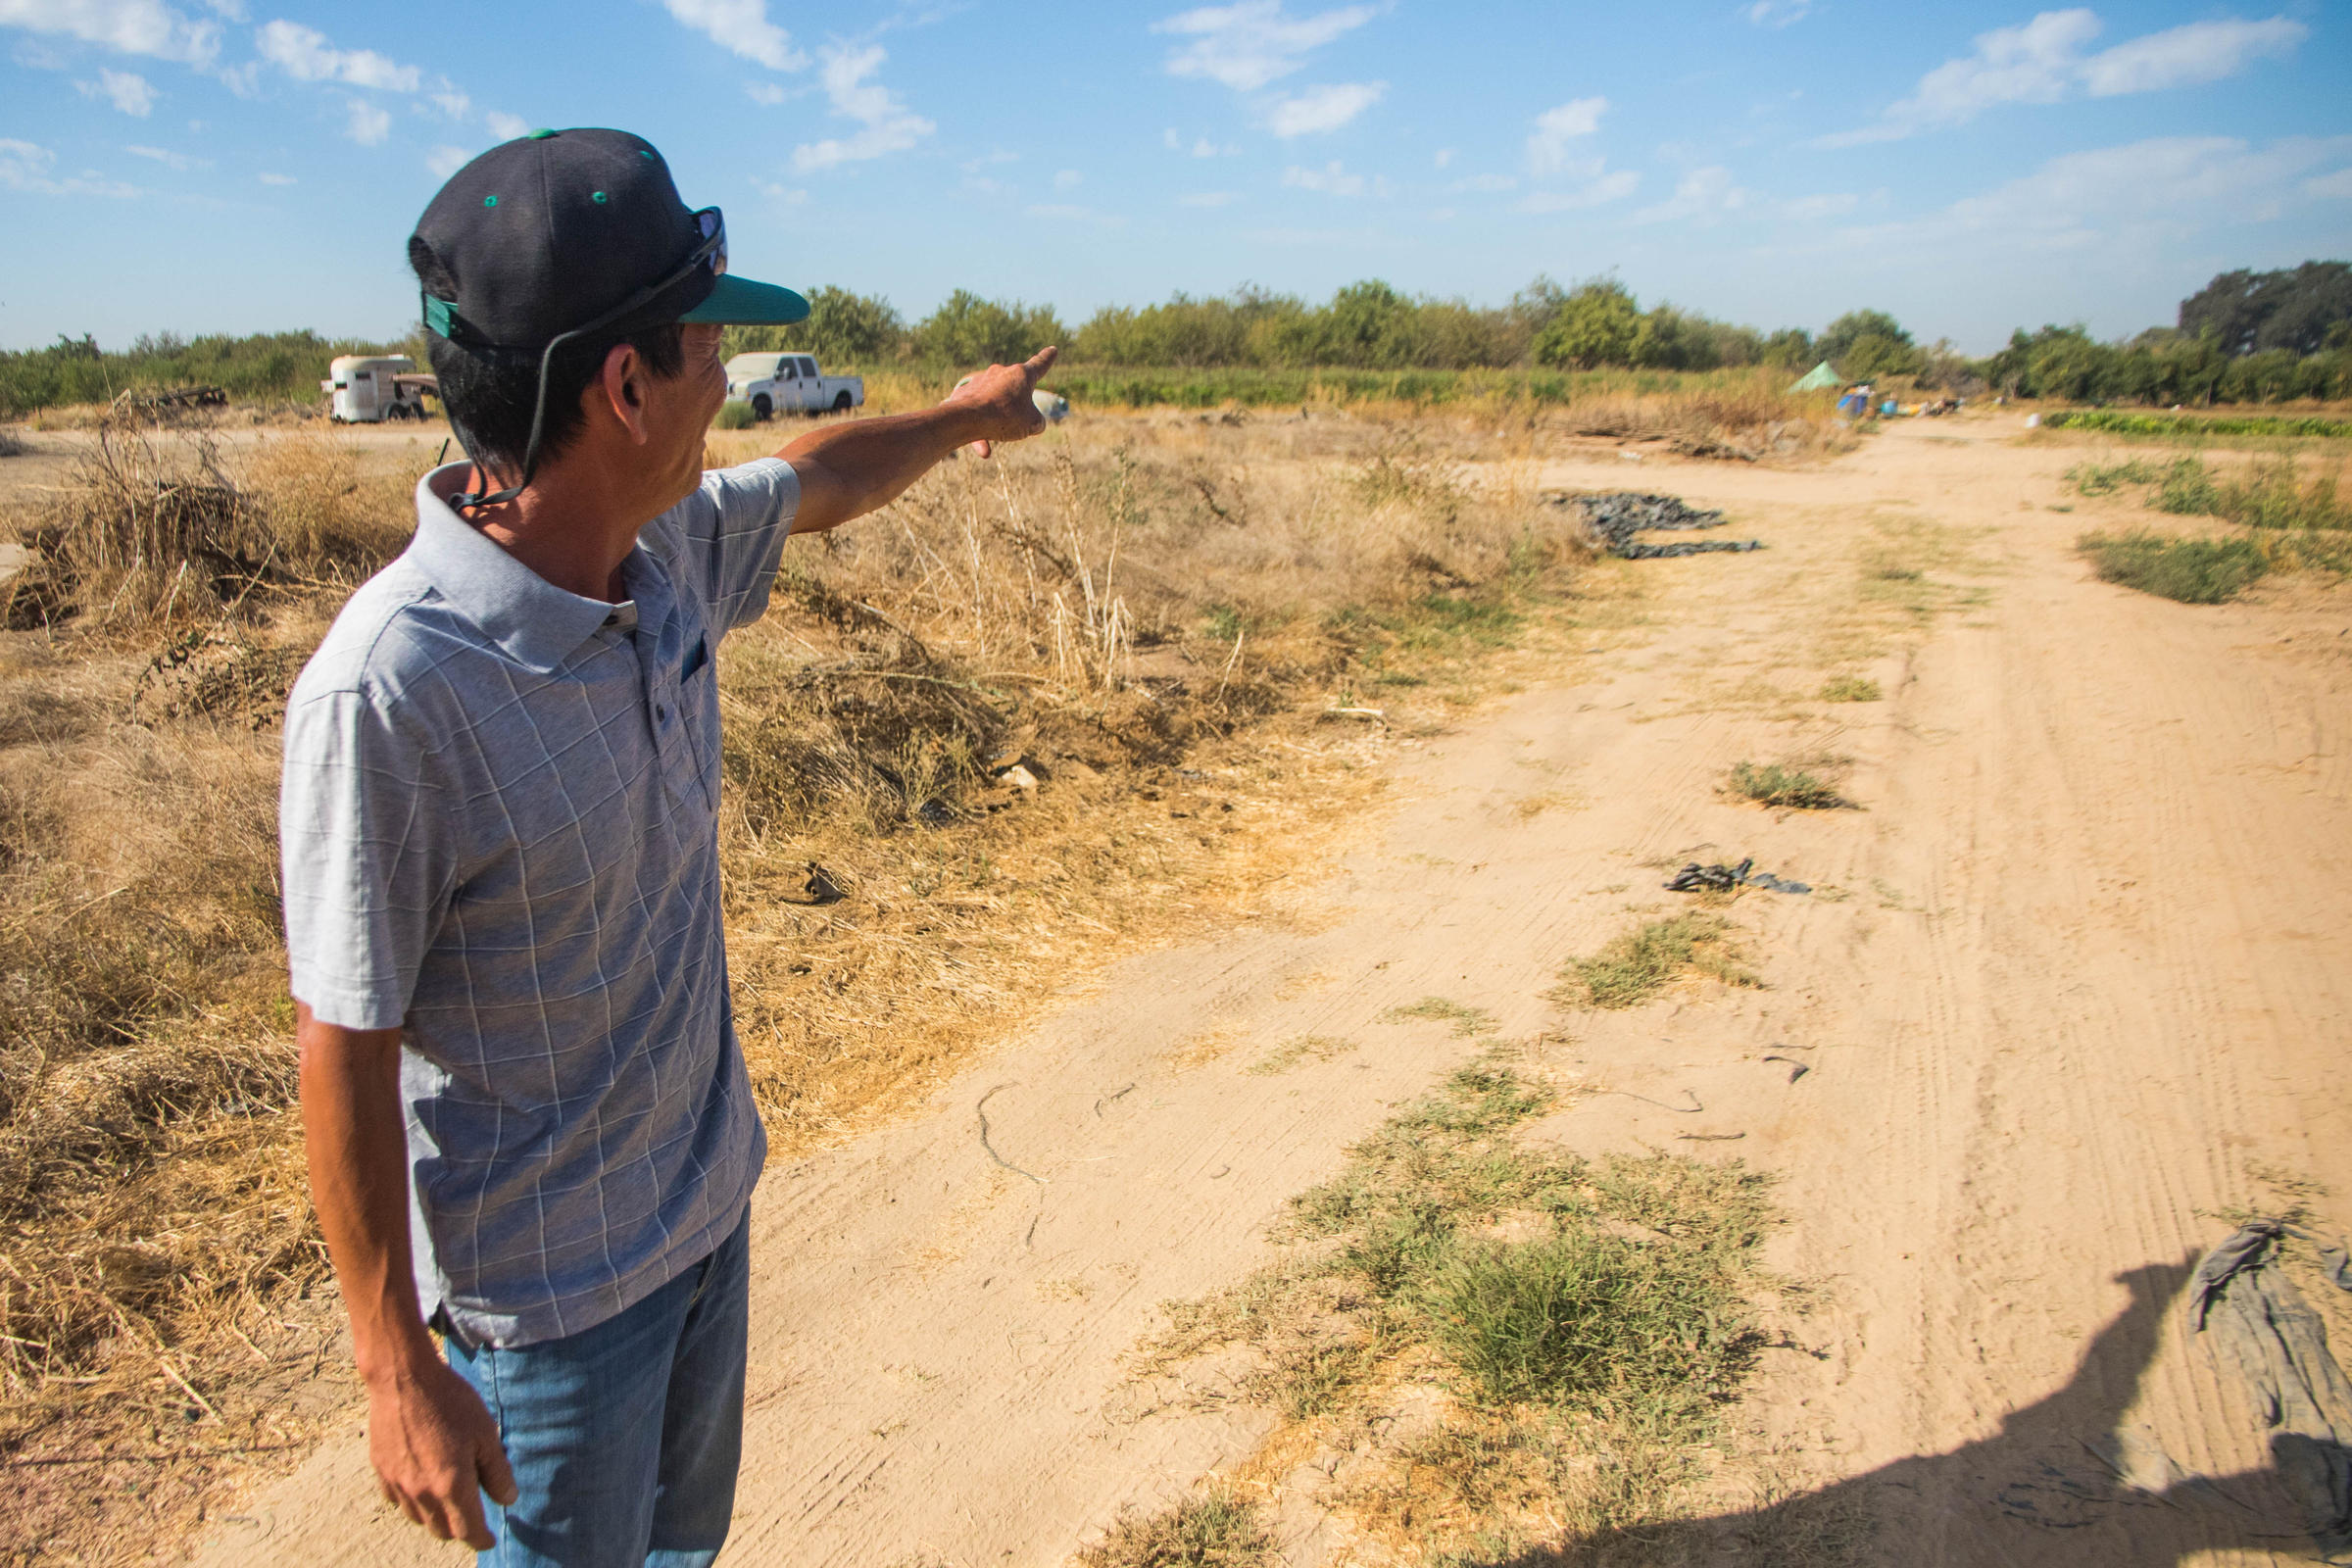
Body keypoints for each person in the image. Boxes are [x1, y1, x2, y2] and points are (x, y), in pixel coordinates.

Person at [279, 127, 1054, 1566]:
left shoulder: (668, 548)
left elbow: (817, 474)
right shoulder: (392, 691)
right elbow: (345, 1041)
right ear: (627, 386)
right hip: (554, 1319)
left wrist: (961, 422)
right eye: (709, 348)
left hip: (705, 1220)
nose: (728, 381)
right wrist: (395, 1372)